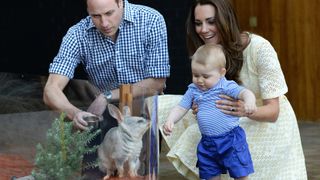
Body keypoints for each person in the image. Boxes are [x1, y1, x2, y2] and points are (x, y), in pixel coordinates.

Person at [158, 0, 307, 179]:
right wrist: (199, 104)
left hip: (264, 121)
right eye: (198, 23)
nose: (203, 29)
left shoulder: (260, 48)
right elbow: (207, 93)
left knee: (200, 136)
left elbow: (274, 112)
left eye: (211, 21)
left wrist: (243, 110)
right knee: (161, 105)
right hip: (227, 115)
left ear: (226, 20)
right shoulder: (208, 50)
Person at [43, 0, 170, 178]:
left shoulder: (151, 20)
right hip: (103, 117)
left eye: (109, 13)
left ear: (121, 3)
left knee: (138, 174)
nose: (104, 23)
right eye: (95, 16)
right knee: (95, 174)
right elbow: (51, 90)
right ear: (87, 10)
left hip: (144, 111)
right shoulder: (77, 34)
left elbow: (157, 82)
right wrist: (74, 113)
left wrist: (107, 96)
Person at [163, 44, 256, 180]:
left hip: (231, 139)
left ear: (221, 73)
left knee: (240, 172)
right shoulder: (193, 89)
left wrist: (250, 102)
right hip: (208, 143)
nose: (200, 80)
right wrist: (170, 120)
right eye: (195, 75)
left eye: (205, 76)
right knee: (209, 174)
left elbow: (245, 92)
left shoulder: (225, 86)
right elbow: (181, 107)